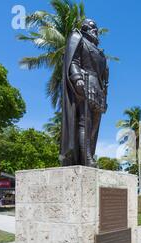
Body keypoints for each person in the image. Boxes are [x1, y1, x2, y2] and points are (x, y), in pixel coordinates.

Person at [60, 18, 109, 167]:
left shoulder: (100, 52)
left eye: (97, 28)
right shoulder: (78, 38)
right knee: (84, 123)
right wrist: (77, 78)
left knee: (94, 127)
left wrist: (105, 91)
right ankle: (86, 158)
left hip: (98, 90)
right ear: (85, 27)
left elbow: (104, 76)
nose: (96, 30)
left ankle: (89, 155)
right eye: (93, 27)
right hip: (85, 83)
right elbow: (73, 61)